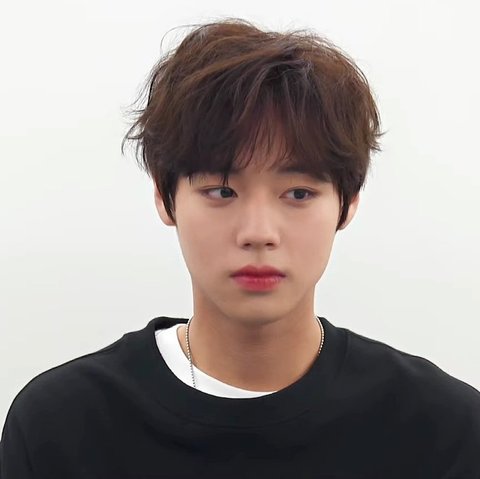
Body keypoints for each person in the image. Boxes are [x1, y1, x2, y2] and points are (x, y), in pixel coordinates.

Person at [1, 17, 479, 479]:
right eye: (222, 191)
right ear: (165, 197)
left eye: (298, 194)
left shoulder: (442, 429)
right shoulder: (61, 425)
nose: (258, 232)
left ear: (347, 203)